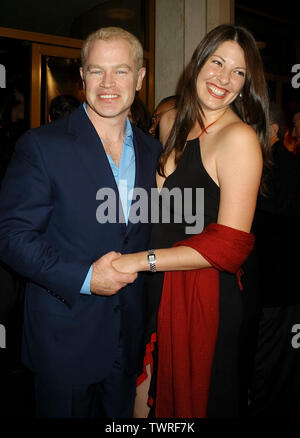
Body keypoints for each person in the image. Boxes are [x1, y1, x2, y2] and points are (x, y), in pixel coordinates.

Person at [0, 26, 161, 418]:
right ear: (82, 76)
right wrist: (87, 278)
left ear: (139, 78)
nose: (108, 83)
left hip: (129, 335)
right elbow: (11, 236)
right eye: (96, 71)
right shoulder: (41, 145)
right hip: (64, 337)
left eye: (120, 71)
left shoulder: (153, 149)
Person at [112, 24, 270, 418]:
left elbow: (229, 247)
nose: (224, 78)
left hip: (201, 296)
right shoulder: (171, 123)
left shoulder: (239, 138)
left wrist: (139, 260)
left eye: (239, 72)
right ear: (199, 61)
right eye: (217, 62)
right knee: (140, 401)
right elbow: (159, 210)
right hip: (156, 288)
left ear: (246, 84)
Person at [249, 102, 300, 417]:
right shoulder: (265, 164)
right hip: (272, 288)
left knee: (273, 366)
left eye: (255, 124)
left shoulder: (277, 167)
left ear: (273, 130)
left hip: (278, 289)